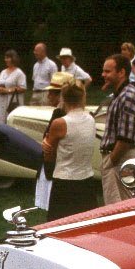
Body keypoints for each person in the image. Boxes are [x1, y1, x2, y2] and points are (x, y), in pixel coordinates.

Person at [43, 81, 97, 221]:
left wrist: (46, 146)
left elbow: (48, 155)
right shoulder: (91, 119)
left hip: (65, 182)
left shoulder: (60, 123)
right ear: (82, 98)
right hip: (86, 180)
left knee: (60, 226)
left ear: (63, 98)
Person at [98, 53, 135, 205]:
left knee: (119, 208)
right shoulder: (119, 95)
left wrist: (111, 161)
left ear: (122, 72)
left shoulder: (128, 96)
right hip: (117, 158)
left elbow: (125, 139)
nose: (103, 74)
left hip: (120, 159)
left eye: (108, 71)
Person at [34, 71, 75, 211]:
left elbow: (49, 140)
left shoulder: (59, 114)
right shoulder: (71, 113)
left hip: (56, 164)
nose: (49, 95)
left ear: (61, 95)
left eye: (52, 92)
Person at [0, 49, 25, 124]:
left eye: (8, 58)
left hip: (12, 103)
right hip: (1, 103)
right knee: (0, 124)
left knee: (11, 123)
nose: (6, 60)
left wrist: (7, 90)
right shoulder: (3, 72)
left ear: (13, 58)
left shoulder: (19, 73)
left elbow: (23, 88)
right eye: (5, 58)